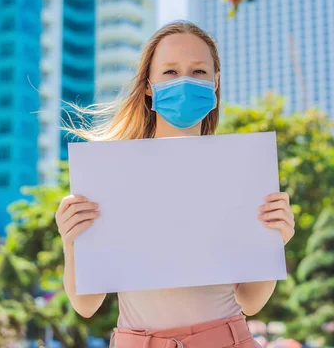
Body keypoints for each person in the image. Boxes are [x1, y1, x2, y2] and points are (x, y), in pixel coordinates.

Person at [55, 21, 296, 348]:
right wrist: (71, 240)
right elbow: (86, 305)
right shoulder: (109, 174)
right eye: (170, 72)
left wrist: (275, 239)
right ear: (149, 85)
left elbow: (250, 301)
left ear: (215, 83)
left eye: (198, 72)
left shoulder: (240, 172)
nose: (184, 81)